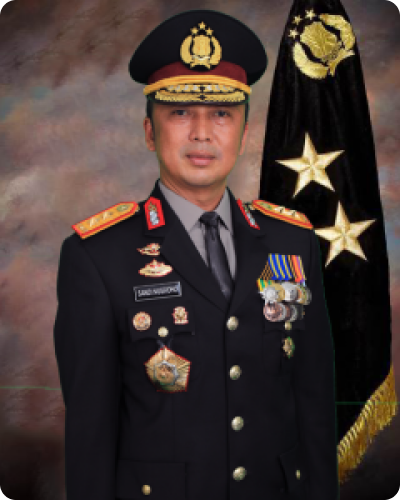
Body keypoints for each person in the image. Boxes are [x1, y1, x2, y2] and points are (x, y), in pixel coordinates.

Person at [53, 9, 339, 500]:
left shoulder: (292, 242)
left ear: (244, 133)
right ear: (150, 131)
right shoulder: (98, 257)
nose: (202, 133)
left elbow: (314, 409)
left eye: (222, 114)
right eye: (181, 112)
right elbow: (90, 438)